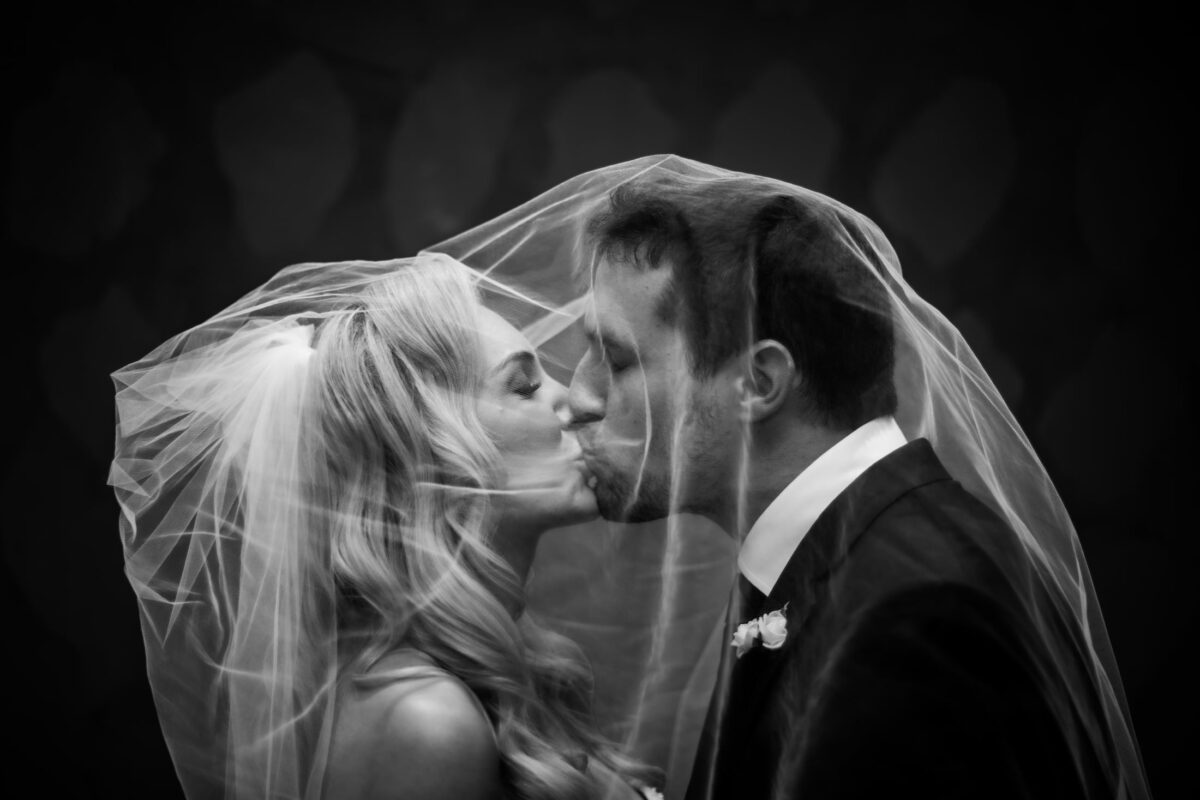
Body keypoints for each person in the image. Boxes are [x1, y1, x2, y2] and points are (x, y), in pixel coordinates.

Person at [430, 155, 1149, 799]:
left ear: (758, 381)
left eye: (616, 361)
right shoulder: (856, 556)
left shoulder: (911, 617)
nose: (580, 397)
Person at [110, 254, 657, 799]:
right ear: (429, 454)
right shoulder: (426, 722)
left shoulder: (507, 667)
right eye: (524, 386)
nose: (574, 401)